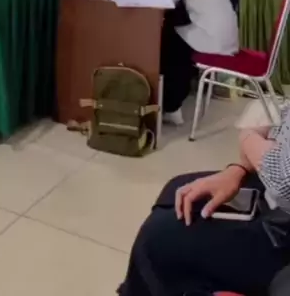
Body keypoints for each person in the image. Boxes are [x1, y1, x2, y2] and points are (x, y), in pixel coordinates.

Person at [117, 106, 290, 296]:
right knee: (177, 190)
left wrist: (249, 136)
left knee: (158, 240)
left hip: (282, 229)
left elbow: (284, 181)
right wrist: (238, 169)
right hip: (273, 187)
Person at [155, 0, 240, 125]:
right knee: (173, 27)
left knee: (168, 33)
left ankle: (171, 105)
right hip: (221, 38)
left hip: (211, 41)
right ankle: (173, 101)